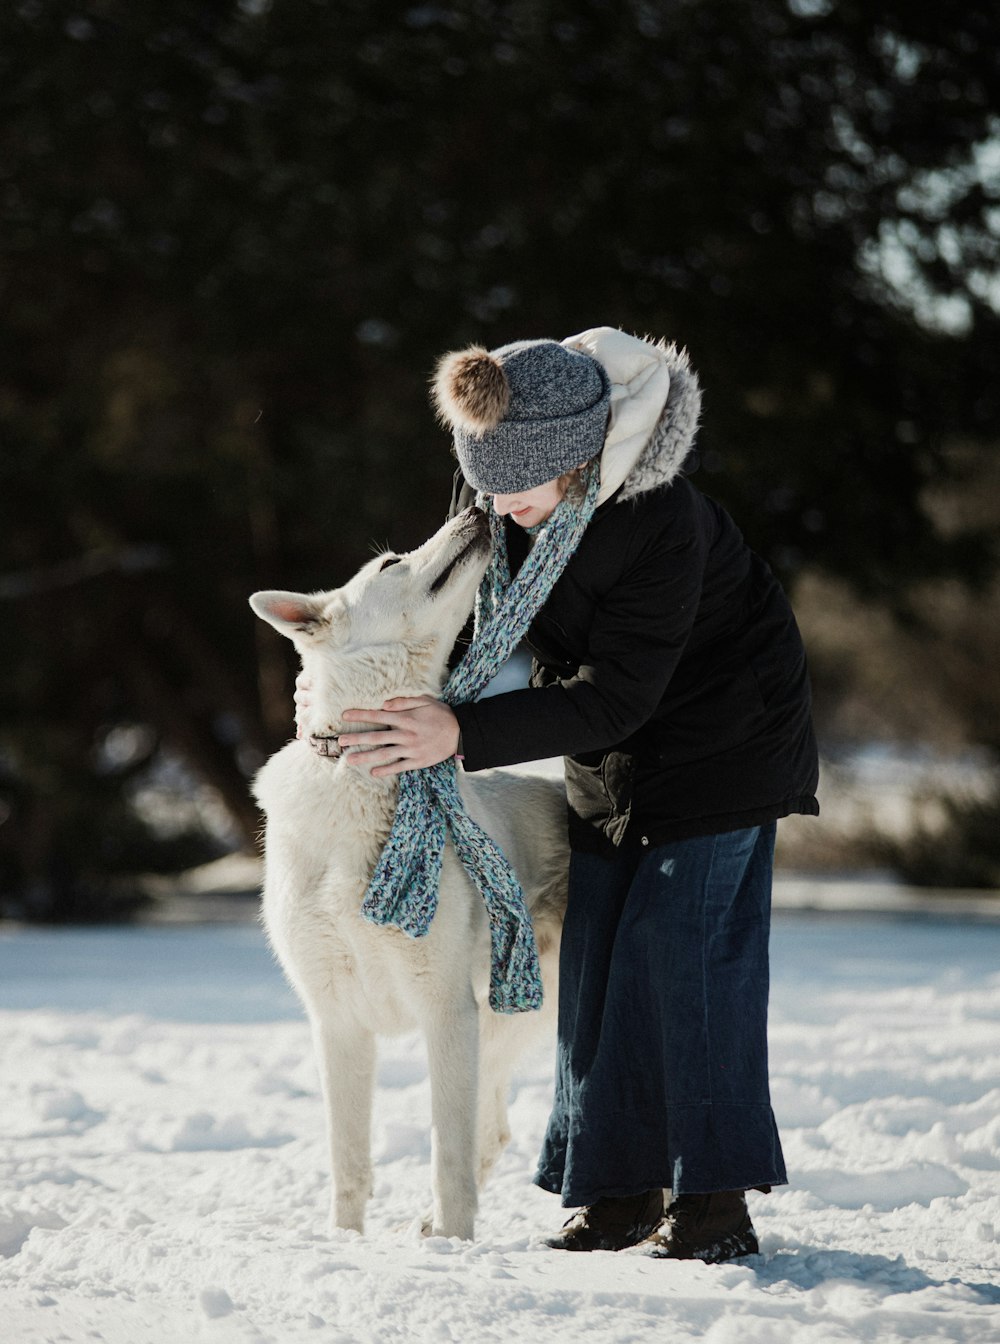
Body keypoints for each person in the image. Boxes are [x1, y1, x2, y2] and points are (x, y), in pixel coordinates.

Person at [300, 327, 819, 1261]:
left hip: (724, 745)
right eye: (485, 484)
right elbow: (472, 633)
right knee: (595, 963)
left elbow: (621, 692)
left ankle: (711, 1203)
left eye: (516, 488)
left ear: (581, 458)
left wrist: (459, 735)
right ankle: (614, 1192)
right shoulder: (521, 500)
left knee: (685, 960)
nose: (496, 507)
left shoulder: (662, 521)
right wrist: (347, 690)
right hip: (602, 743)